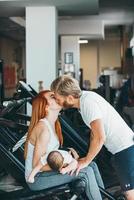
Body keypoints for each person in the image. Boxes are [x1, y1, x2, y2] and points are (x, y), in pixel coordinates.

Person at [51, 75, 134, 200]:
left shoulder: (87, 104)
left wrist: (86, 160)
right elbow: (94, 133)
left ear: (69, 97)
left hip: (124, 149)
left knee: (130, 193)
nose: (57, 102)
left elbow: (100, 137)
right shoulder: (85, 99)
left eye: (58, 99)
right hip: (121, 148)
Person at [24, 90, 104, 200]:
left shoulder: (53, 125)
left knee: (91, 165)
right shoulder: (43, 129)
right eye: (52, 96)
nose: (57, 96)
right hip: (37, 178)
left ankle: (103, 197)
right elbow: (36, 165)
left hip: (45, 172)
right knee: (85, 172)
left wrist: (68, 157)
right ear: (46, 107)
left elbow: (50, 152)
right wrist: (64, 165)